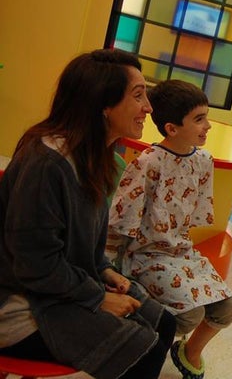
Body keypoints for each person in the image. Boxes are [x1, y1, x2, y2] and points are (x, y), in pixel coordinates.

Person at [0, 49, 176, 379]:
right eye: (138, 96)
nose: (148, 108)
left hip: (57, 286)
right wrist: (97, 297)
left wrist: (104, 272)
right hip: (18, 300)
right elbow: (35, 265)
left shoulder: (96, 157)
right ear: (103, 106)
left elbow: (82, 245)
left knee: (164, 322)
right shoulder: (47, 164)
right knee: (143, 348)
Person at [107, 79, 232, 379]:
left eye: (207, 117)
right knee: (189, 314)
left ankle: (189, 352)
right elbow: (120, 220)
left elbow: (191, 220)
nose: (208, 126)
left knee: (227, 307)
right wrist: (108, 270)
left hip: (181, 254)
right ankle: (135, 345)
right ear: (171, 128)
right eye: (199, 119)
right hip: (145, 258)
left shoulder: (204, 161)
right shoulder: (147, 163)